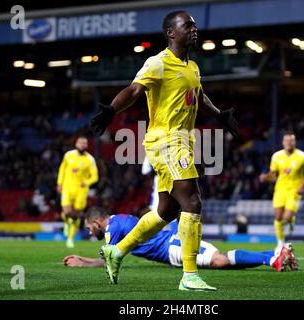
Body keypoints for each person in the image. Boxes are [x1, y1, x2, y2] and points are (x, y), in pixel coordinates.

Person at [90, 11, 238, 291]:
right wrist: (112, 109)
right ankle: (190, 275)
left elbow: (199, 95)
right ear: (171, 32)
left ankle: (117, 251)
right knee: (192, 202)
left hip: (183, 141)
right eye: (187, 25)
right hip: (165, 141)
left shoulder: (192, 66)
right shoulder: (157, 63)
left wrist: (220, 115)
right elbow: (135, 90)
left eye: (194, 25)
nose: (193, 29)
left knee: (166, 212)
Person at [63, 207, 297, 273]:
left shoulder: (111, 228)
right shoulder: (120, 219)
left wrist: (82, 262)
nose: (89, 233)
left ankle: (274, 258)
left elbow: (109, 260)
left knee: (219, 261)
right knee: (222, 263)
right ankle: (274, 256)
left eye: (88, 229)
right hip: (171, 243)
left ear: (96, 222)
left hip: (171, 247)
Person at [259, 131, 304, 246]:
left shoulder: (303, 157)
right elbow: (273, 174)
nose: (289, 142)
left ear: (295, 142)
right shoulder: (276, 156)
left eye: (291, 140)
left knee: (287, 216)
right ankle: (281, 243)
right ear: (283, 142)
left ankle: (290, 221)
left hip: (294, 191)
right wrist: (266, 177)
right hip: (280, 190)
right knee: (278, 217)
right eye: (286, 140)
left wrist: (302, 186)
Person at [56, 136, 99, 248]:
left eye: (84, 143)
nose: (82, 145)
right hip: (67, 188)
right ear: (76, 144)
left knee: (76, 215)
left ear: (87, 146)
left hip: (81, 191)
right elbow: (62, 169)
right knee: (67, 212)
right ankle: (66, 222)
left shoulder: (90, 159)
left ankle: (70, 239)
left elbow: (95, 177)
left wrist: (86, 182)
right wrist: (59, 183)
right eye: (80, 143)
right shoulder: (68, 155)